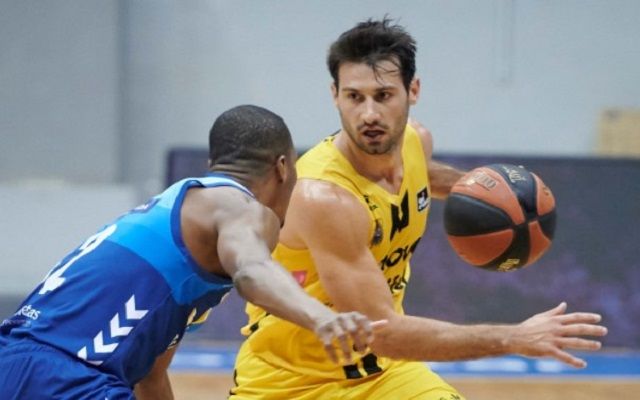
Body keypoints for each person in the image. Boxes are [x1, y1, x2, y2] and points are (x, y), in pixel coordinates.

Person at [229, 19, 608, 400]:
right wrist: (514, 337)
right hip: (292, 384)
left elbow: (423, 173)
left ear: (413, 91)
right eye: (354, 97)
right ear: (335, 95)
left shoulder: (415, 141)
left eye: (383, 95)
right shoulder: (324, 197)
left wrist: (494, 196)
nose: (369, 114)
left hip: (383, 375)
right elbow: (384, 333)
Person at [0, 105, 382, 400]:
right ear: (283, 168)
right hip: (71, 378)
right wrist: (320, 316)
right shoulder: (243, 208)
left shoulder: (179, 208)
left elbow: (150, 378)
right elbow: (251, 272)